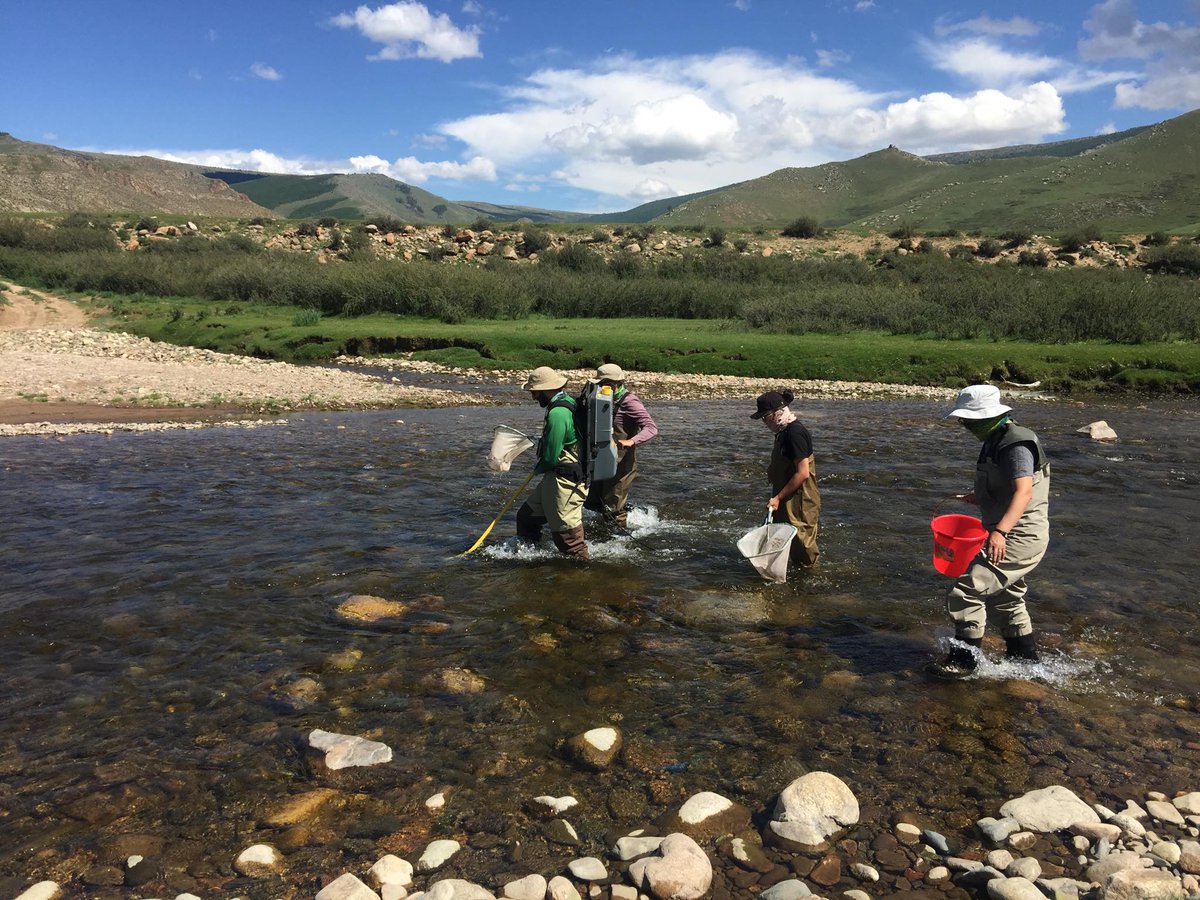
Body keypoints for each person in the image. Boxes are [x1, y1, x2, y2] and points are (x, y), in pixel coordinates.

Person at [929, 384, 1050, 679]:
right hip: (1010, 532)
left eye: (967, 420)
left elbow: (1023, 493)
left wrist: (1000, 533)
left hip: (1020, 536)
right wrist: (980, 495)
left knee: (966, 592)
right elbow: (1008, 486)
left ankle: (964, 664)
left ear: (987, 417)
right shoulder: (997, 438)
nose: (964, 425)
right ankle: (1025, 662)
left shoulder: (1015, 444)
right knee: (1005, 598)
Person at [515, 366, 589, 560]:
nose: (533, 397)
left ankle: (584, 576)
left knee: (569, 541)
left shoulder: (558, 413)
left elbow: (550, 456)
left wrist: (539, 467)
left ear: (545, 390)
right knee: (526, 519)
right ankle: (531, 561)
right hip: (555, 477)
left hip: (564, 482)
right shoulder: (567, 400)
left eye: (534, 392)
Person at [752, 390, 820, 569]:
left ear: (779, 412)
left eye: (766, 417)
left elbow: (803, 473)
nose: (764, 423)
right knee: (777, 535)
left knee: (802, 542)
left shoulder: (795, 433)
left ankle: (812, 582)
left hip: (800, 499)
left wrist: (778, 498)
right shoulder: (783, 431)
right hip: (785, 495)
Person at [584, 363, 658, 531]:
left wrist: (632, 441)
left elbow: (651, 428)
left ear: (614, 384)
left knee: (613, 508)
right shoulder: (602, 398)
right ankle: (604, 530)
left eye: (601, 384)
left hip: (622, 464)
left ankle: (619, 538)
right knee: (592, 502)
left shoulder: (630, 401)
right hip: (601, 459)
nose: (598, 387)